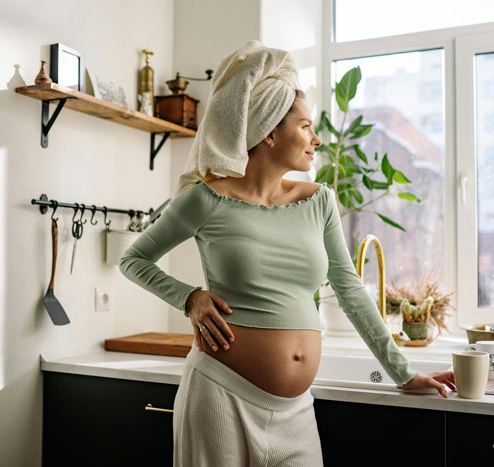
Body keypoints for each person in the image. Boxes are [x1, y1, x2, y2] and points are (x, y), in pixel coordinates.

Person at [120, 40, 455, 467]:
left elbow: (349, 288)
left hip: (296, 412)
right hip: (220, 395)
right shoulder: (205, 200)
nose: (316, 139)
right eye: (305, 127)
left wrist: (403, 372)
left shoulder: (319, 201)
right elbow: (133, 260)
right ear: (269, 131)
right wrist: (190, 297)